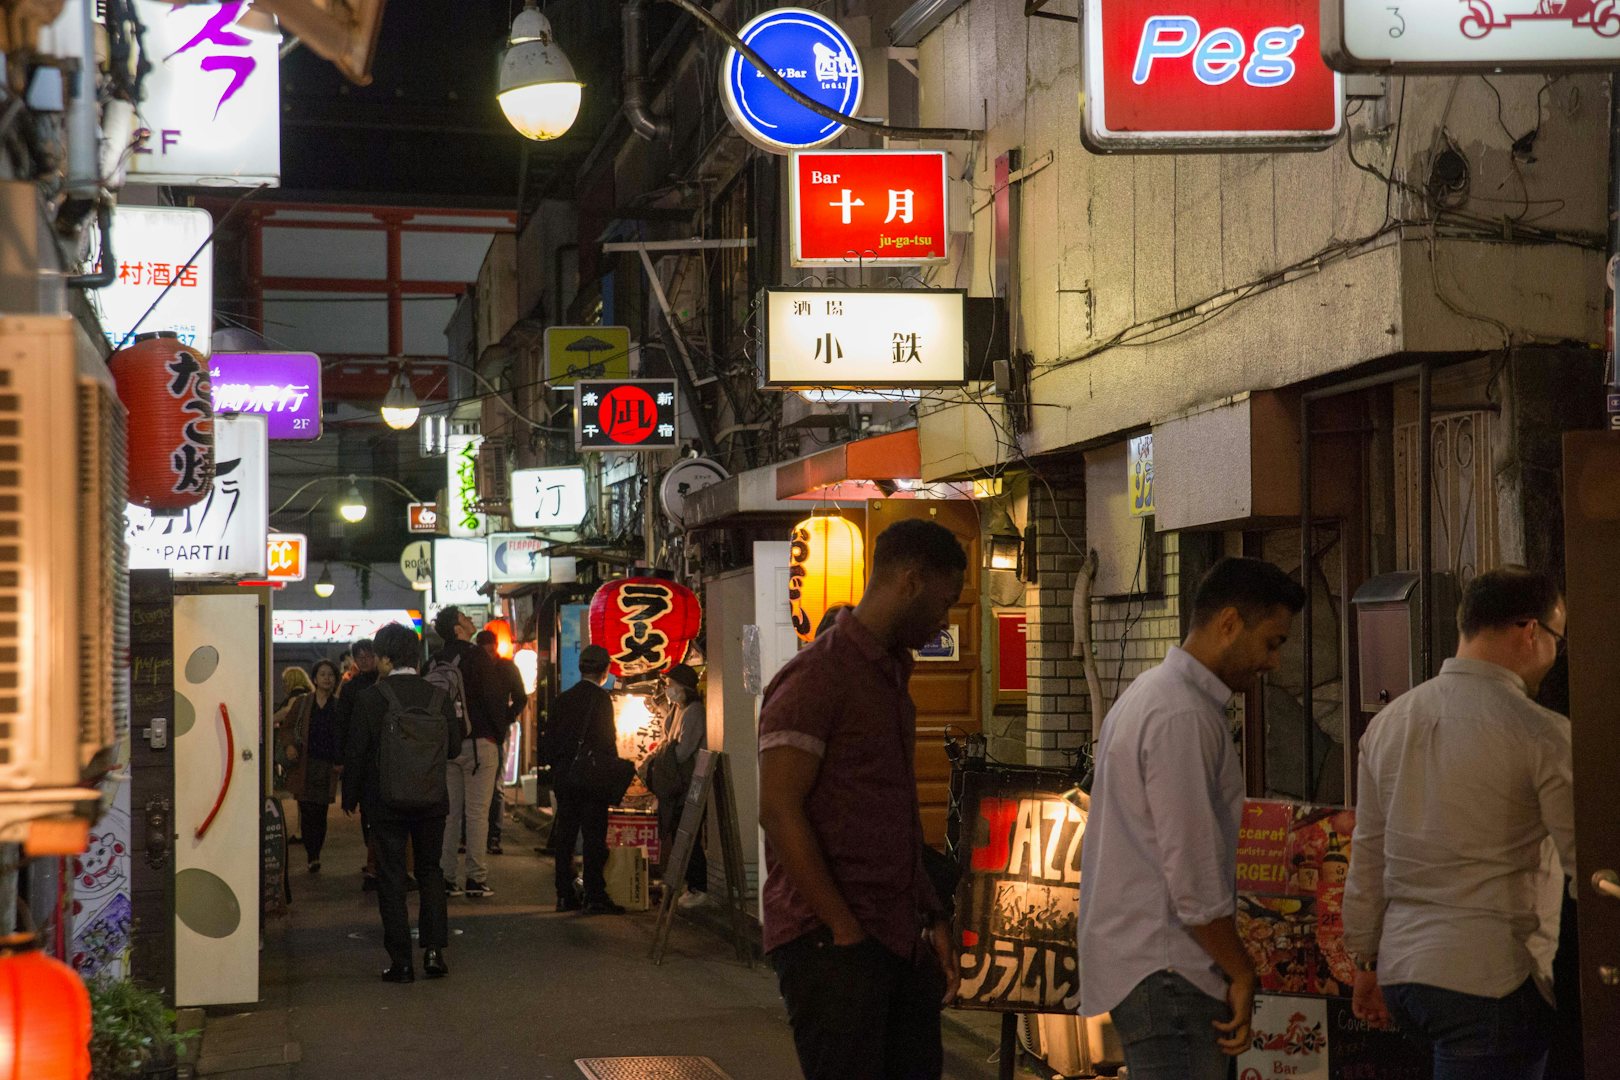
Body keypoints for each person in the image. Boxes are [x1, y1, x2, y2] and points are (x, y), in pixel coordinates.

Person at [1076, 556, 1305, 1080]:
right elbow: (1193, 875)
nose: (1273, 664)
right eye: (1271, 642)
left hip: (1157, 968)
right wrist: (1241, 970)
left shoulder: (1153, 695)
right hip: (1171, 969)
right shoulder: (1181, 713)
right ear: (1228, 623)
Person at [1343, 566, 1575, 1080]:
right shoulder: (1542, 735)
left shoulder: (1389, 724)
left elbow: (1368, 855)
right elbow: (1591, 861)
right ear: (1531, 631)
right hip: (1491, 978)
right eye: (1558, 637)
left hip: (1406, 974)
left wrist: (1364, 962)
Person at [757, 518, 966, 1080]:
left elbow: (891, 813)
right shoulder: (817, 677)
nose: (944, 620)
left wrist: (931, 911)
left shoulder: (890, 677)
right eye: (944, 602)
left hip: (894, 934)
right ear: (910, 581)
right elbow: (778, 809)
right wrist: (843, 929)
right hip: (830, 943)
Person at [342, 622, 458, 983]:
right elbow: (453, 748)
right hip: (432, 799)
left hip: (386, 801)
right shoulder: (438, 697)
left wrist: (351, 796)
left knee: (391, 877)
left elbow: (357, 753)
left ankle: (402, 962)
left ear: (386, 658)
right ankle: (435, 952)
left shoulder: (370, 698)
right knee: (430, 872)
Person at [544, 644, 622, 915]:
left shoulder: (563, 699)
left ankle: (564, 894)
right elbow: (607, 741)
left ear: (580, 668)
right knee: (593, 837)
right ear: (605, 670)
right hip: (592, 779)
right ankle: (594, 894)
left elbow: (549, 741)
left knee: (565, 837)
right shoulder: (601, 700)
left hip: (566, 777)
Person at [429, 606, 501, 898]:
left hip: (446, 746)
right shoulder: (476, 657)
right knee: (477, 813)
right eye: (464, 617)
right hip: (478, 742)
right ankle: (475, 877)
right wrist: (498, 734)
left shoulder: (433, 661)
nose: (470, 620)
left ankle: (446, 877)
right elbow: (493, 698)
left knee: (449, 815)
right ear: (458, 628)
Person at [275, 659, 344, 873]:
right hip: (305, 764)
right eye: (322, 674)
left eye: (330, 674)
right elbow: (286, 728)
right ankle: (311, 854)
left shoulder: (339, 705)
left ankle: (316, 851)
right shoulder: (304, 703)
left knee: (321, 810)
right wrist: (288, 746)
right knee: (306, 808)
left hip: (326, 765)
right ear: (314, 678)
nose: (326, 678)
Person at [658, 663, 708, 907]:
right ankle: (689, 885)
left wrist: (664, 754)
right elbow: (669, 738)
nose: (668, 690)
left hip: (689, 783)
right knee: (681, 832)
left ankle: (699, 887)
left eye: (672, 685)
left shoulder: (695, 711)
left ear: (684, 688)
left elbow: (682, 752)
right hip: (680, 783)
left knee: (690, 834)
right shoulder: (680, 710)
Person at [338, 638, 383, 891]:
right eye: (361, 657)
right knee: (367, 811)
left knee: (375, 811)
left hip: (375, 757)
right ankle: (373, 858)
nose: (365, 660)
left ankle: (375, 863)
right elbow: (342, 724)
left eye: (369, 656)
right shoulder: (351, 688)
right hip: (362, 759)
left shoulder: (381, 683)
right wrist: (342, 758)